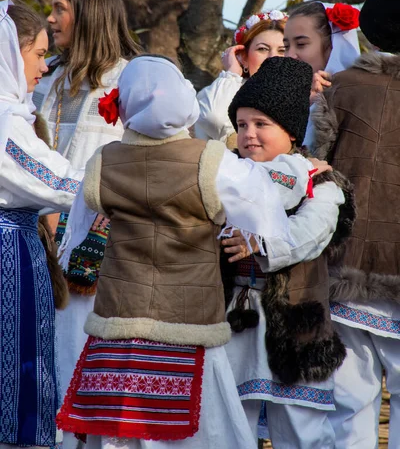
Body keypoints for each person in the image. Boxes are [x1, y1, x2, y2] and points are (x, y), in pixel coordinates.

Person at [55, 55, 330, 449]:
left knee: (117, 427)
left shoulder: (103, 162)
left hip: (118, 317)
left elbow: (77, 232)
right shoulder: (210, 163)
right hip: (185, 320)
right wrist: (301, 174)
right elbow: (266, 200)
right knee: (201, 428)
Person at [221, 57, 355, 448]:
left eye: (262, 124)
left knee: (302, 429)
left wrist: (261, 242)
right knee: (231, 422)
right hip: (235, 320)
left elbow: (313, 230)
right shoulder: (226, 174)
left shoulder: (317, 179)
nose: (249, 134)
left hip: (296, 322)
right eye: (242, 124)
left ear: (291, 130)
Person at [33, 0, 140, 449]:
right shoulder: (50, 77)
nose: (51, 19)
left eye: (60, 9)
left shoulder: (131, 78)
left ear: (90, 14)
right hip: (44, 236)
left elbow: (143, 161)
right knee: (48, 359)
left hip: (100, 245)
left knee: (89, 362)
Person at [312, 0, 400, 449]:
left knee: (350, 411)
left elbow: (309, 177)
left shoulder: (337, 92)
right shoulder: (338, 90)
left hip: (348, 273)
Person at [0, 0, 84, 447]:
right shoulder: (4, 122)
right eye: (37, 55)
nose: (43, 67)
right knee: (14, 367)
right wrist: (128, 181)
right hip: (7, 250)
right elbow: (56, 181)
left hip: (17, 240)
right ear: (10, 53)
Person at [195, 10, 287, 145]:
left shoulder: (309, 95)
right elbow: (214, 118)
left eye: (282, 50)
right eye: (262, 49)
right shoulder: (215, 95)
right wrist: (232, 73)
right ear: (243, 56)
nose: (273, 58)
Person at [283, 1, 361, 146]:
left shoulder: (361, 98)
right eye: (286, 46)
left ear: (333, 46)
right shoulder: (280, 98)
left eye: (301, 44)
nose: (290, 55)